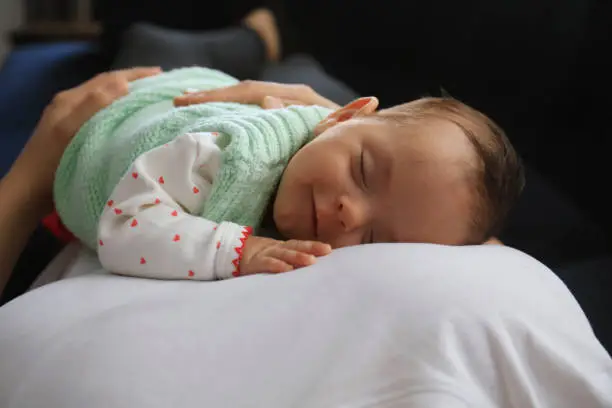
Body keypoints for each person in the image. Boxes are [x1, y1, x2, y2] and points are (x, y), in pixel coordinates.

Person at [51, 18, 522, 280]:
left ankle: (260, 41)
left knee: (299, 74)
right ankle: (251, 36)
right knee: (150, 45)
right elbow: (126, 223)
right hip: (158, 104)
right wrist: (235, 251)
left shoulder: (361, 156)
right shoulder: (224, 157)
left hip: (300, 112)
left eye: (376, 239)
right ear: (340, 116)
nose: (348, 214)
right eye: (362, 170)